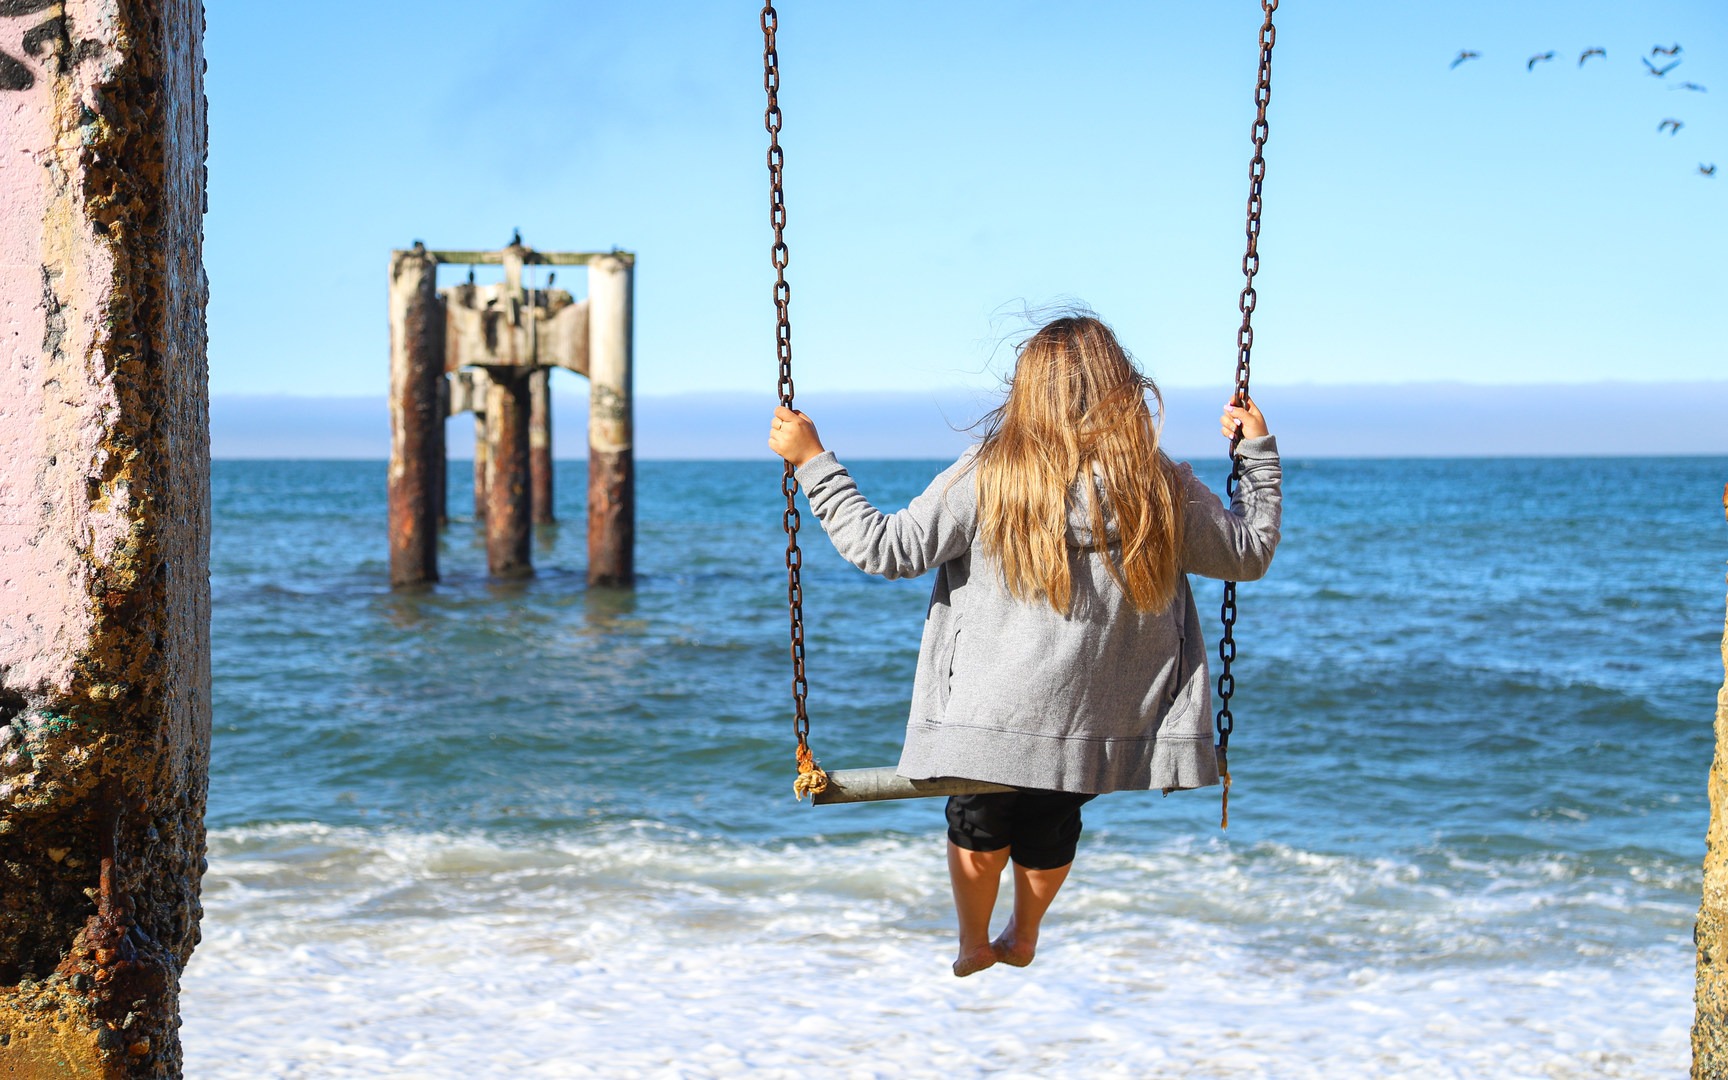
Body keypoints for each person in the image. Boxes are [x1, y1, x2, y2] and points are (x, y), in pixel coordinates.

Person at [766, 312, 1281, 977]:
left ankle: (975, 940)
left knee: (978, 817)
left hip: (990, 718)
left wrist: (812, 461)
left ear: (1026, 392)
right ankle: (1024, 933)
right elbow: (1248, 553)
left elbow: (884, 548)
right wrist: (1257, 454)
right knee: (1054, 814)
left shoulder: (991, 474)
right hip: (1099, 723)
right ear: (1122, 387)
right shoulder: (1159, 485)